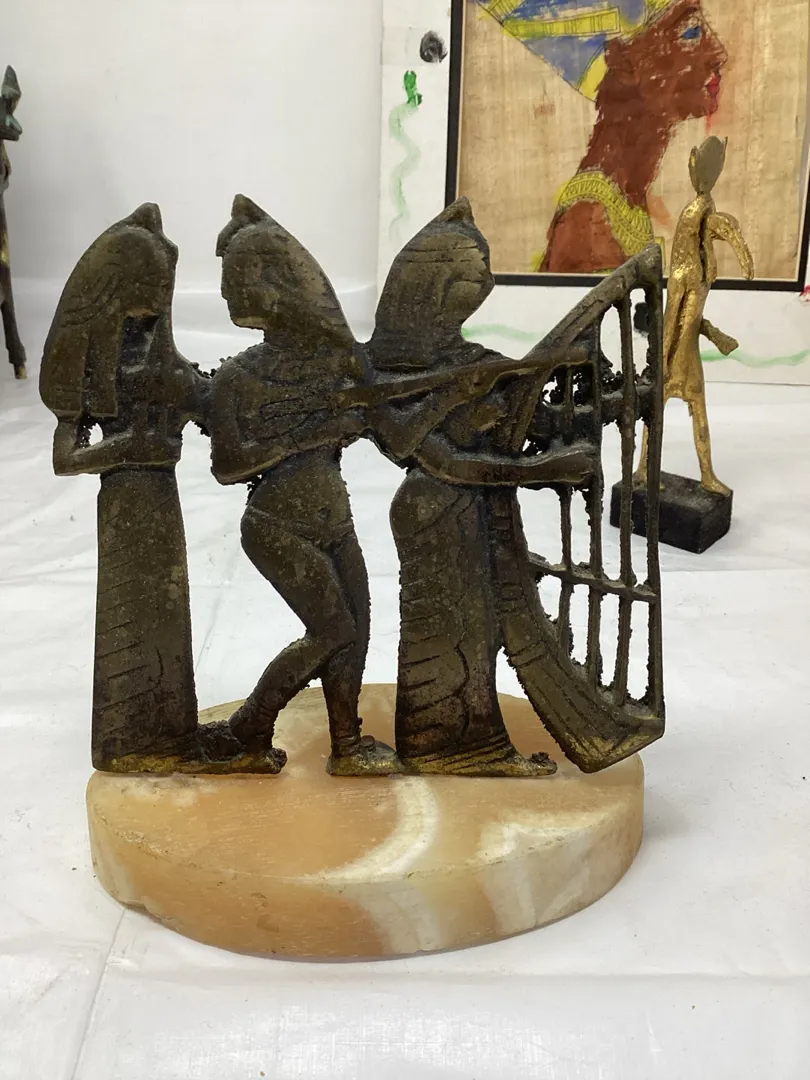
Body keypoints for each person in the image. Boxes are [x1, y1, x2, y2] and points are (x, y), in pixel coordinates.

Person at [39, 205, 221, 772]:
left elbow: (207, 404)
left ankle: (168, 734)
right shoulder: (93, 368)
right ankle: (128, 741)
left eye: (161, 290)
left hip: (161, 502)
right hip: (124, 502)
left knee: (167, 613)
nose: (155, 301)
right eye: (146, 289)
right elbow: (65, 459)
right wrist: (128, 450)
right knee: (130, 614)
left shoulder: (164, 362)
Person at [539, 0, 728, 272]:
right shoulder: (591, 221)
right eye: (690, 32)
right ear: (624, 61)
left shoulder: (626, 198)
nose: (718, 53)